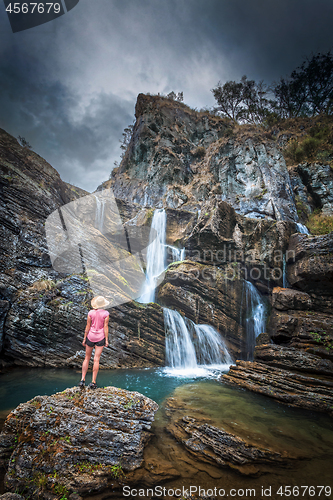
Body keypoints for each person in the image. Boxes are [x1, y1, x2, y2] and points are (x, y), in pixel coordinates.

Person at [79, 295, 110, 389]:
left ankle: (82, 380)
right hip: (100, 337)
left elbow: (87, 326)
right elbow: (105, 328)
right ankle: (93, 382)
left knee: (86, 358)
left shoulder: (90, 313)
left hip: (90, 336)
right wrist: (106, 340)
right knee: (96, 359)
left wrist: (84, 338)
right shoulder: (106, 314)